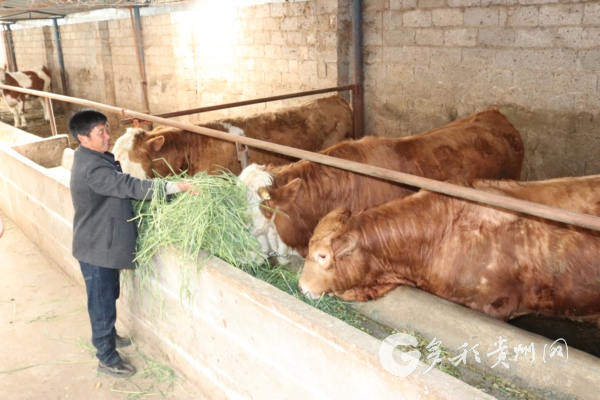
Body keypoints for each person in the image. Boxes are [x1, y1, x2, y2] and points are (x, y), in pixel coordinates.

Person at [68, 109, 192, 378]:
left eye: (106, 129)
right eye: (100, 132)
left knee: (108, 296)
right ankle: (106, 357)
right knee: (101, 304)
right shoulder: (92, 168)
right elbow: (127, 186)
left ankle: (108, 336)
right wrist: (172, 187)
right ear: (82, 138)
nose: (107, 136)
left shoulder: (94, 157)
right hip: (97, 247)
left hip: (102, 242)